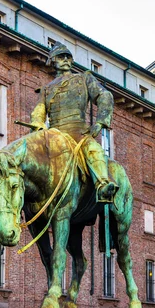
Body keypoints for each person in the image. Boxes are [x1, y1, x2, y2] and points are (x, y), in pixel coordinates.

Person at [30, 42, 118, 203]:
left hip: (77, 132)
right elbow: (39, 111)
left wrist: (101, 122)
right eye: (60, 57)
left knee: (94, 149)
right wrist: (37, 124)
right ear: (52, 61)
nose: (65, 60)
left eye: (67, 57)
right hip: (54, 135)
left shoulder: (84, 79)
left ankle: (103, 184)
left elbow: (105, 96)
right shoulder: (46, 89)